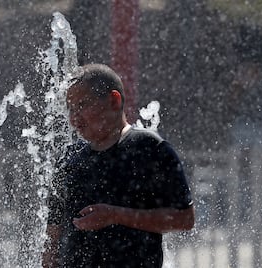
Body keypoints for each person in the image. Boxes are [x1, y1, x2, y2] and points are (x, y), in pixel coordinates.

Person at [44, 64, 195, 267]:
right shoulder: (69, 160)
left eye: (82, 105)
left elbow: (184, 219)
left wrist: (116, 216)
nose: (74, 118)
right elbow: (53, 236)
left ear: (114, 101)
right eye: (71, 108)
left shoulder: (149, 149)